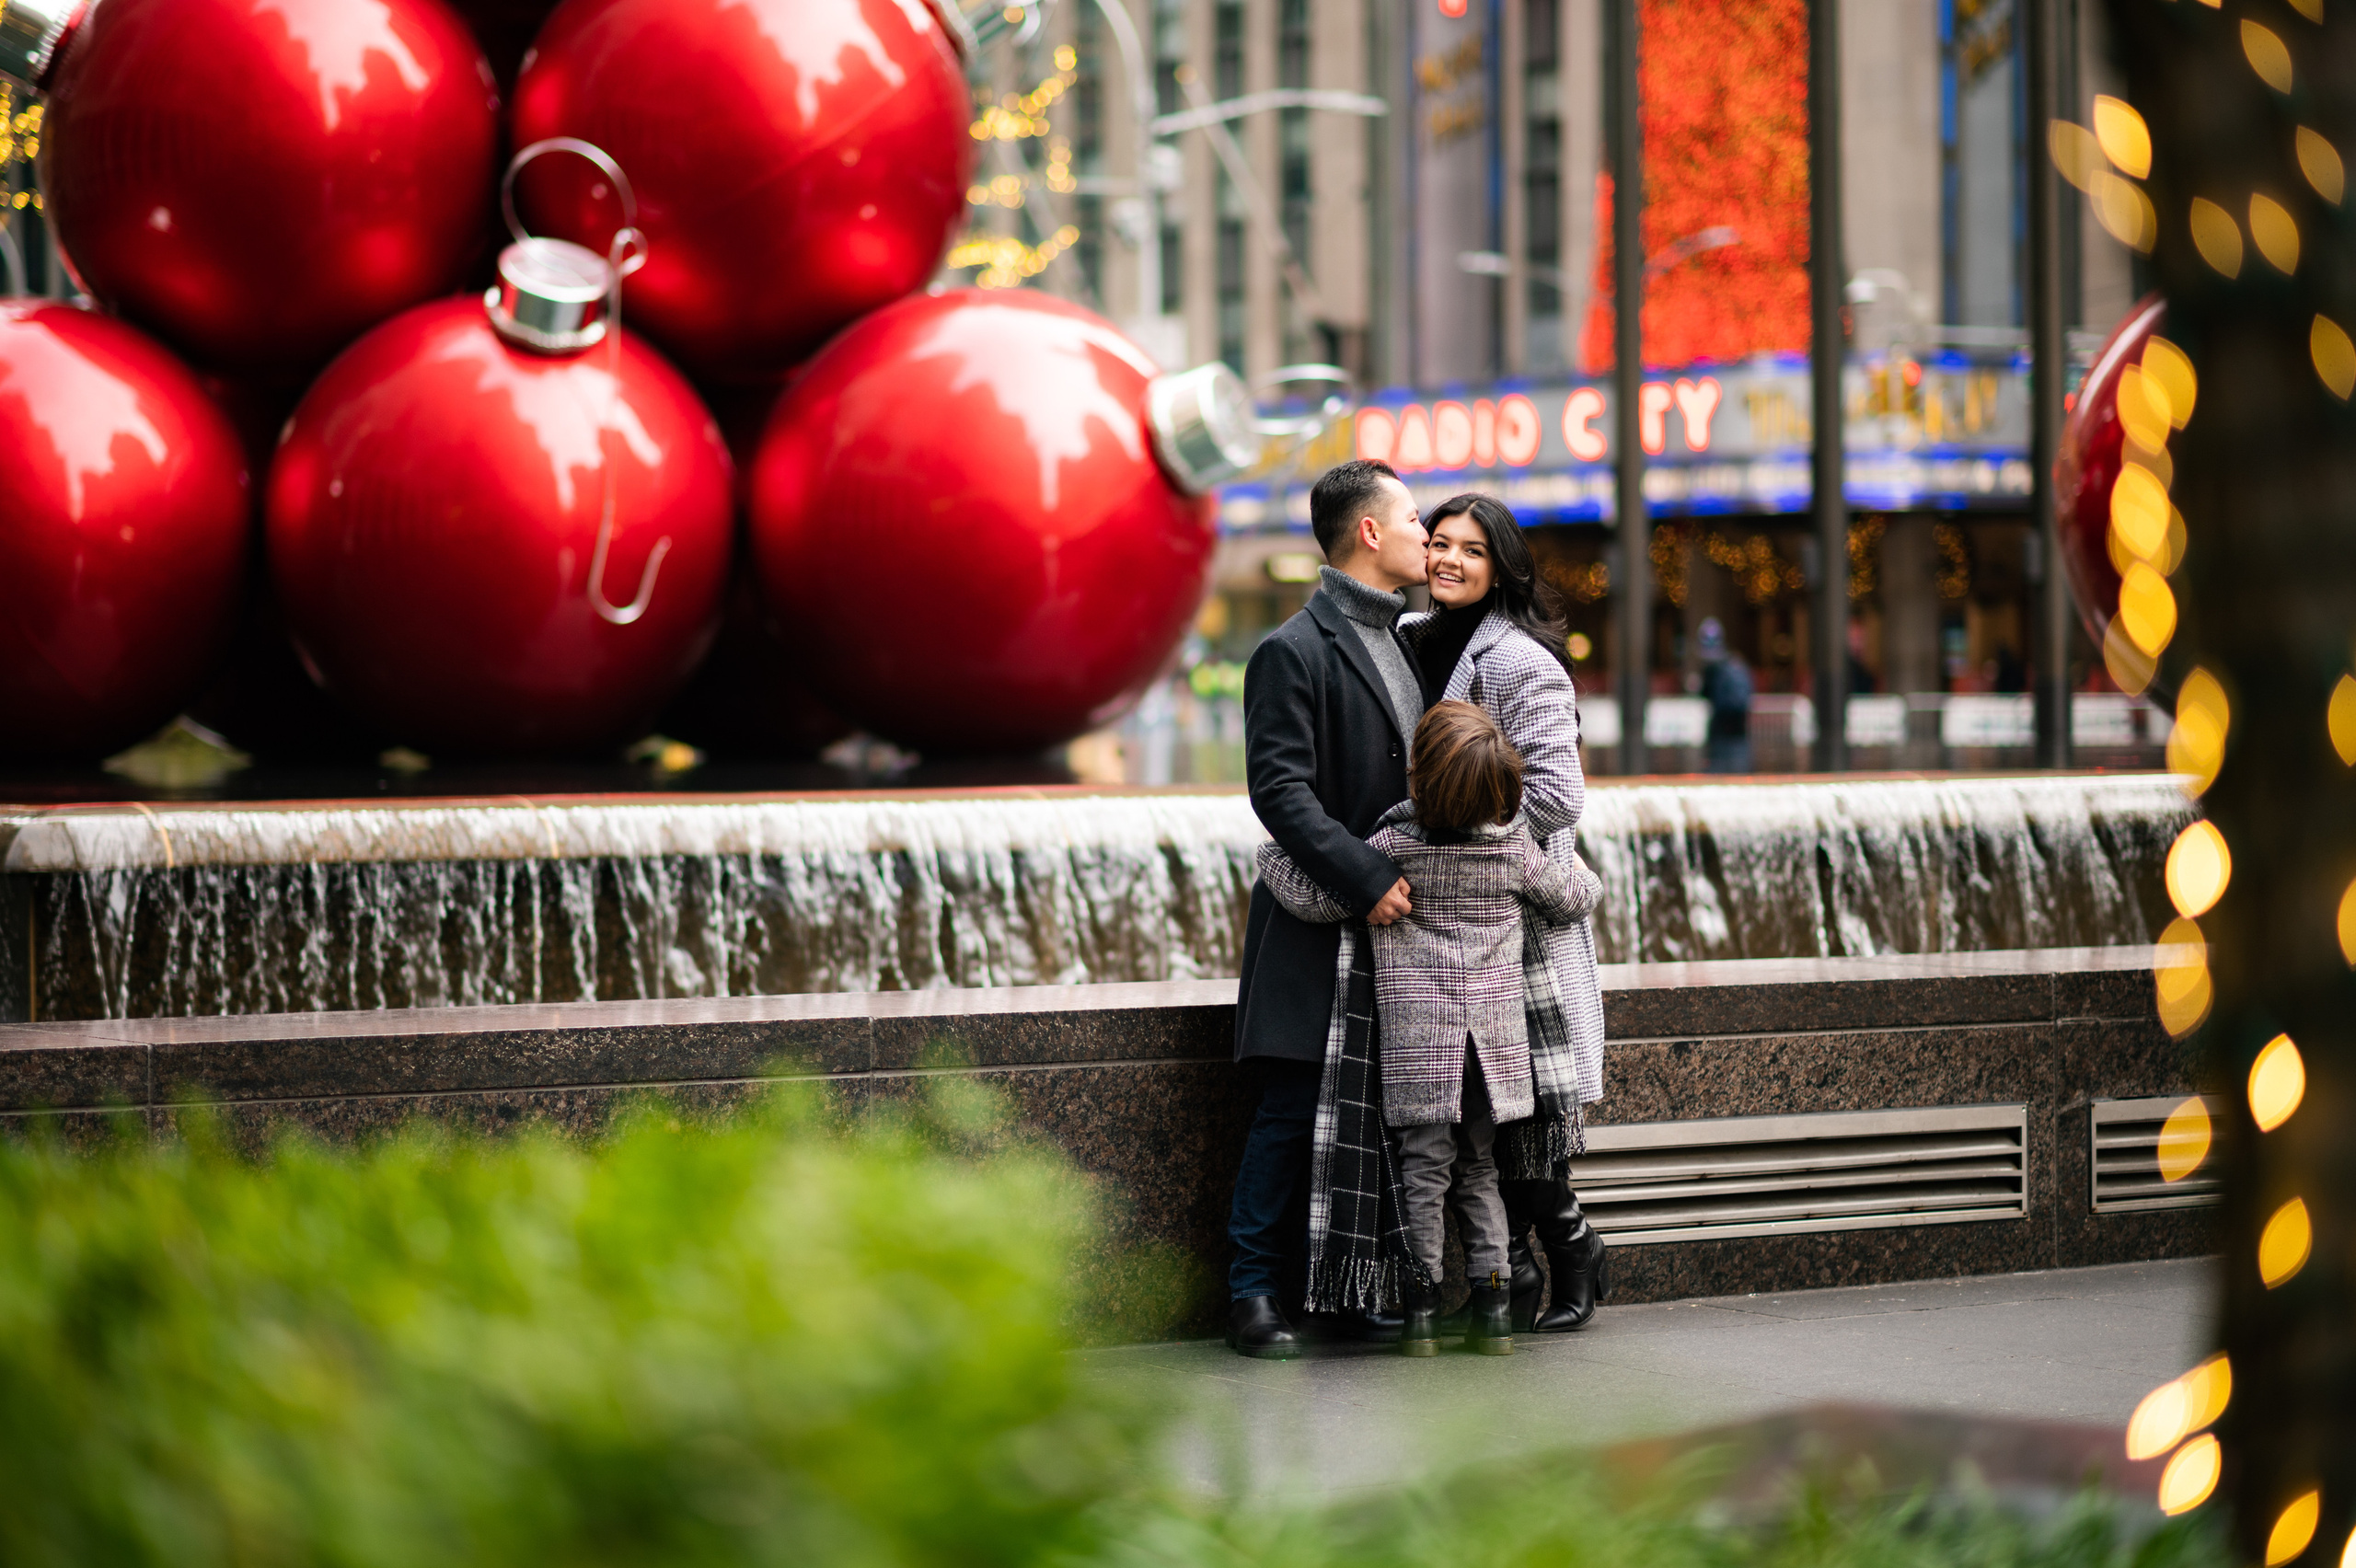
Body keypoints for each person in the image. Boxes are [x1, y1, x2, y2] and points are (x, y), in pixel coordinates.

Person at [1255, 700, 1599, 1357]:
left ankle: (1420, 1310)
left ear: (1418, 782)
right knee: (1478, 1174)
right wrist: (1583, 871)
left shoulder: (1395, 847)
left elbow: (1317, 897)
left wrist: (1273, 853)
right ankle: (1495, 1304)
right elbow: (1571, 900)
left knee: (1422, 1174)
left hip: (1420, 1051)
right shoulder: (1512, 850)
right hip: (1494, 1056)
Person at [1225, 457, 1427, 1359]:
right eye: (1414, 518)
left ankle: (1345, 1294)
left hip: (1395, 930)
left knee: (1371, 1106)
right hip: (1314, 925)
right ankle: (1251, 1295)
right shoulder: (1290, 650)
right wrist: (1364, 878)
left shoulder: (1415, 644)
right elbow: (1279, 791)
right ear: (1370, 533)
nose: (1428, 535)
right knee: (1290, 1104)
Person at [1402, 492, 1611, 1334]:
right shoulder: (1411, 643)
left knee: (1519, 1116)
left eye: (1473, 551)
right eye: (1440, 543)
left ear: (1504, 569)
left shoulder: (1522, 662)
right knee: (1486, 1116)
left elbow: (1561, 796)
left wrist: (1465, 834)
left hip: (1514, 915)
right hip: (1447, 920)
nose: (1449, 559)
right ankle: (1513, 1275)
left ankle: (1574, 1253)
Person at [1697, 617, 1753, 774]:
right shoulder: (1730, 667)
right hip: (1731, 732)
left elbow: (1707, 695)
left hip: (1728, 733)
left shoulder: (1723, 669)